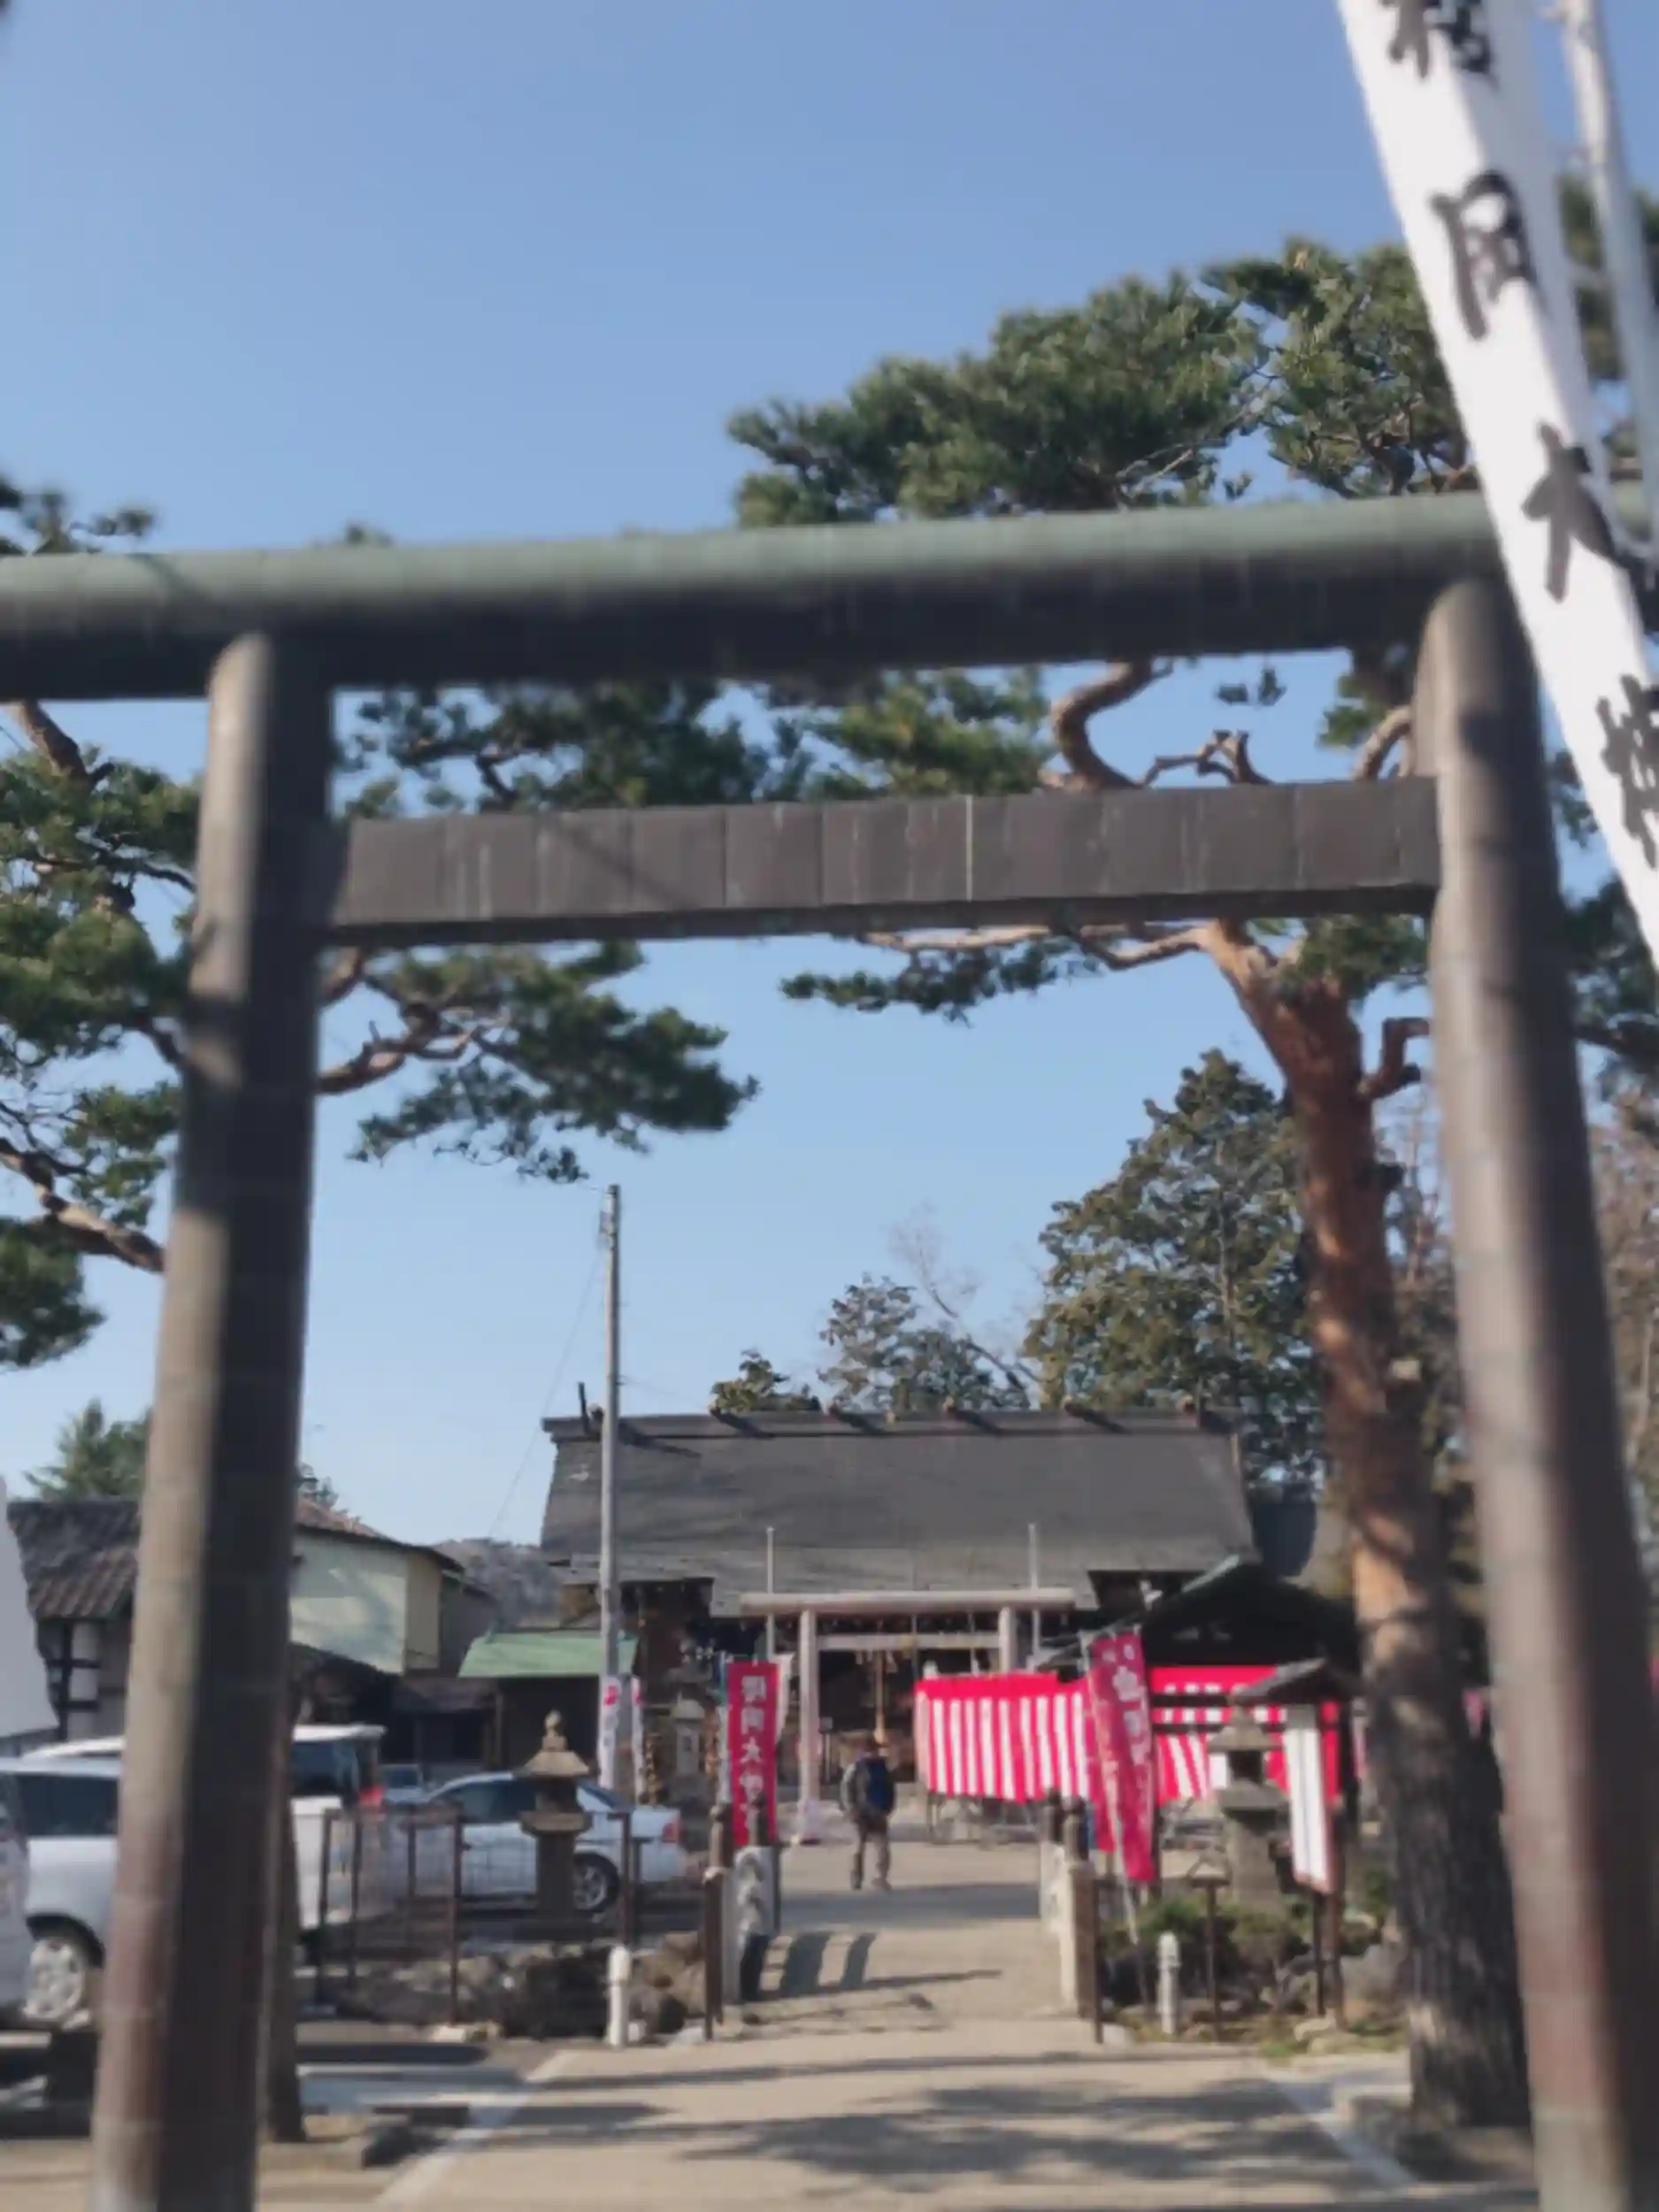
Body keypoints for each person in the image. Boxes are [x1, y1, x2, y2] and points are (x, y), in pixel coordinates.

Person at [841, 1733, 895, 1892]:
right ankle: (857, 1877)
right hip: (861, 1813)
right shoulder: (856, 1768)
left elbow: (890, 1789)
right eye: (868, 1750)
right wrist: (851, 1808)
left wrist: (888, 1808)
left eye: (873, 1750)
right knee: (858, 1848)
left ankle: (881, 1877)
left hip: (878, 1812)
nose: (871, 1753)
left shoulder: (882, 1768)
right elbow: (847, 1789)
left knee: (882, 1847)